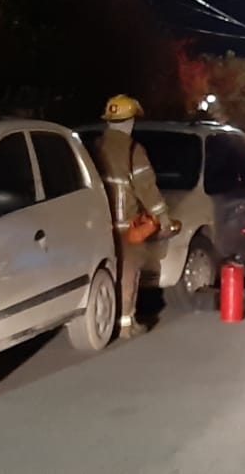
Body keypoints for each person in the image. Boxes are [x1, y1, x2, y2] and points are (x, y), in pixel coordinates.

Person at [92, 94, 176, 338]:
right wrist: (165, 219)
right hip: (125, 227)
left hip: (97, 226)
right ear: (130, 122)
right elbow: (147, 189)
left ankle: (104, 322)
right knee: (129, 272)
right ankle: (126, 325)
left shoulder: (94, 147)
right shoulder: (132, 150)